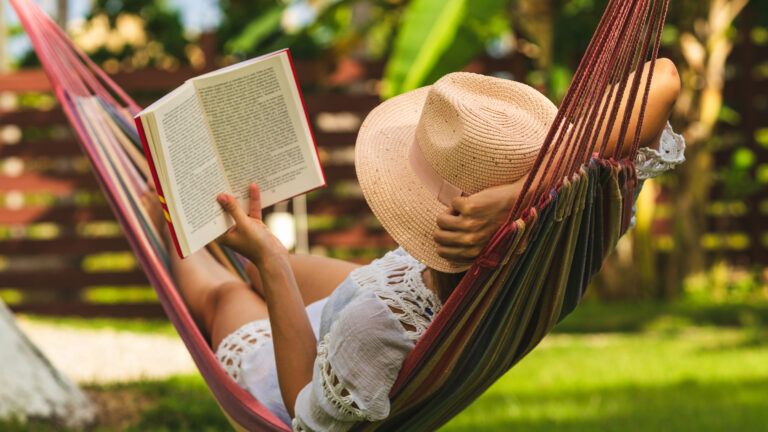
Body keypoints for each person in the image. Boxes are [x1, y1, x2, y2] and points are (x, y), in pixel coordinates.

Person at [141, 59, 685, 431]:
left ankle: (164, 224)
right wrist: (525, 192)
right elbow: (663, 78)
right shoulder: (566, 227)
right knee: (255, 266)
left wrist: (274, 261)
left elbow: (306, 416)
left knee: (227, 296)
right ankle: (239, 246)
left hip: (323, 355)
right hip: (409, 287)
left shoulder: (376, 328)